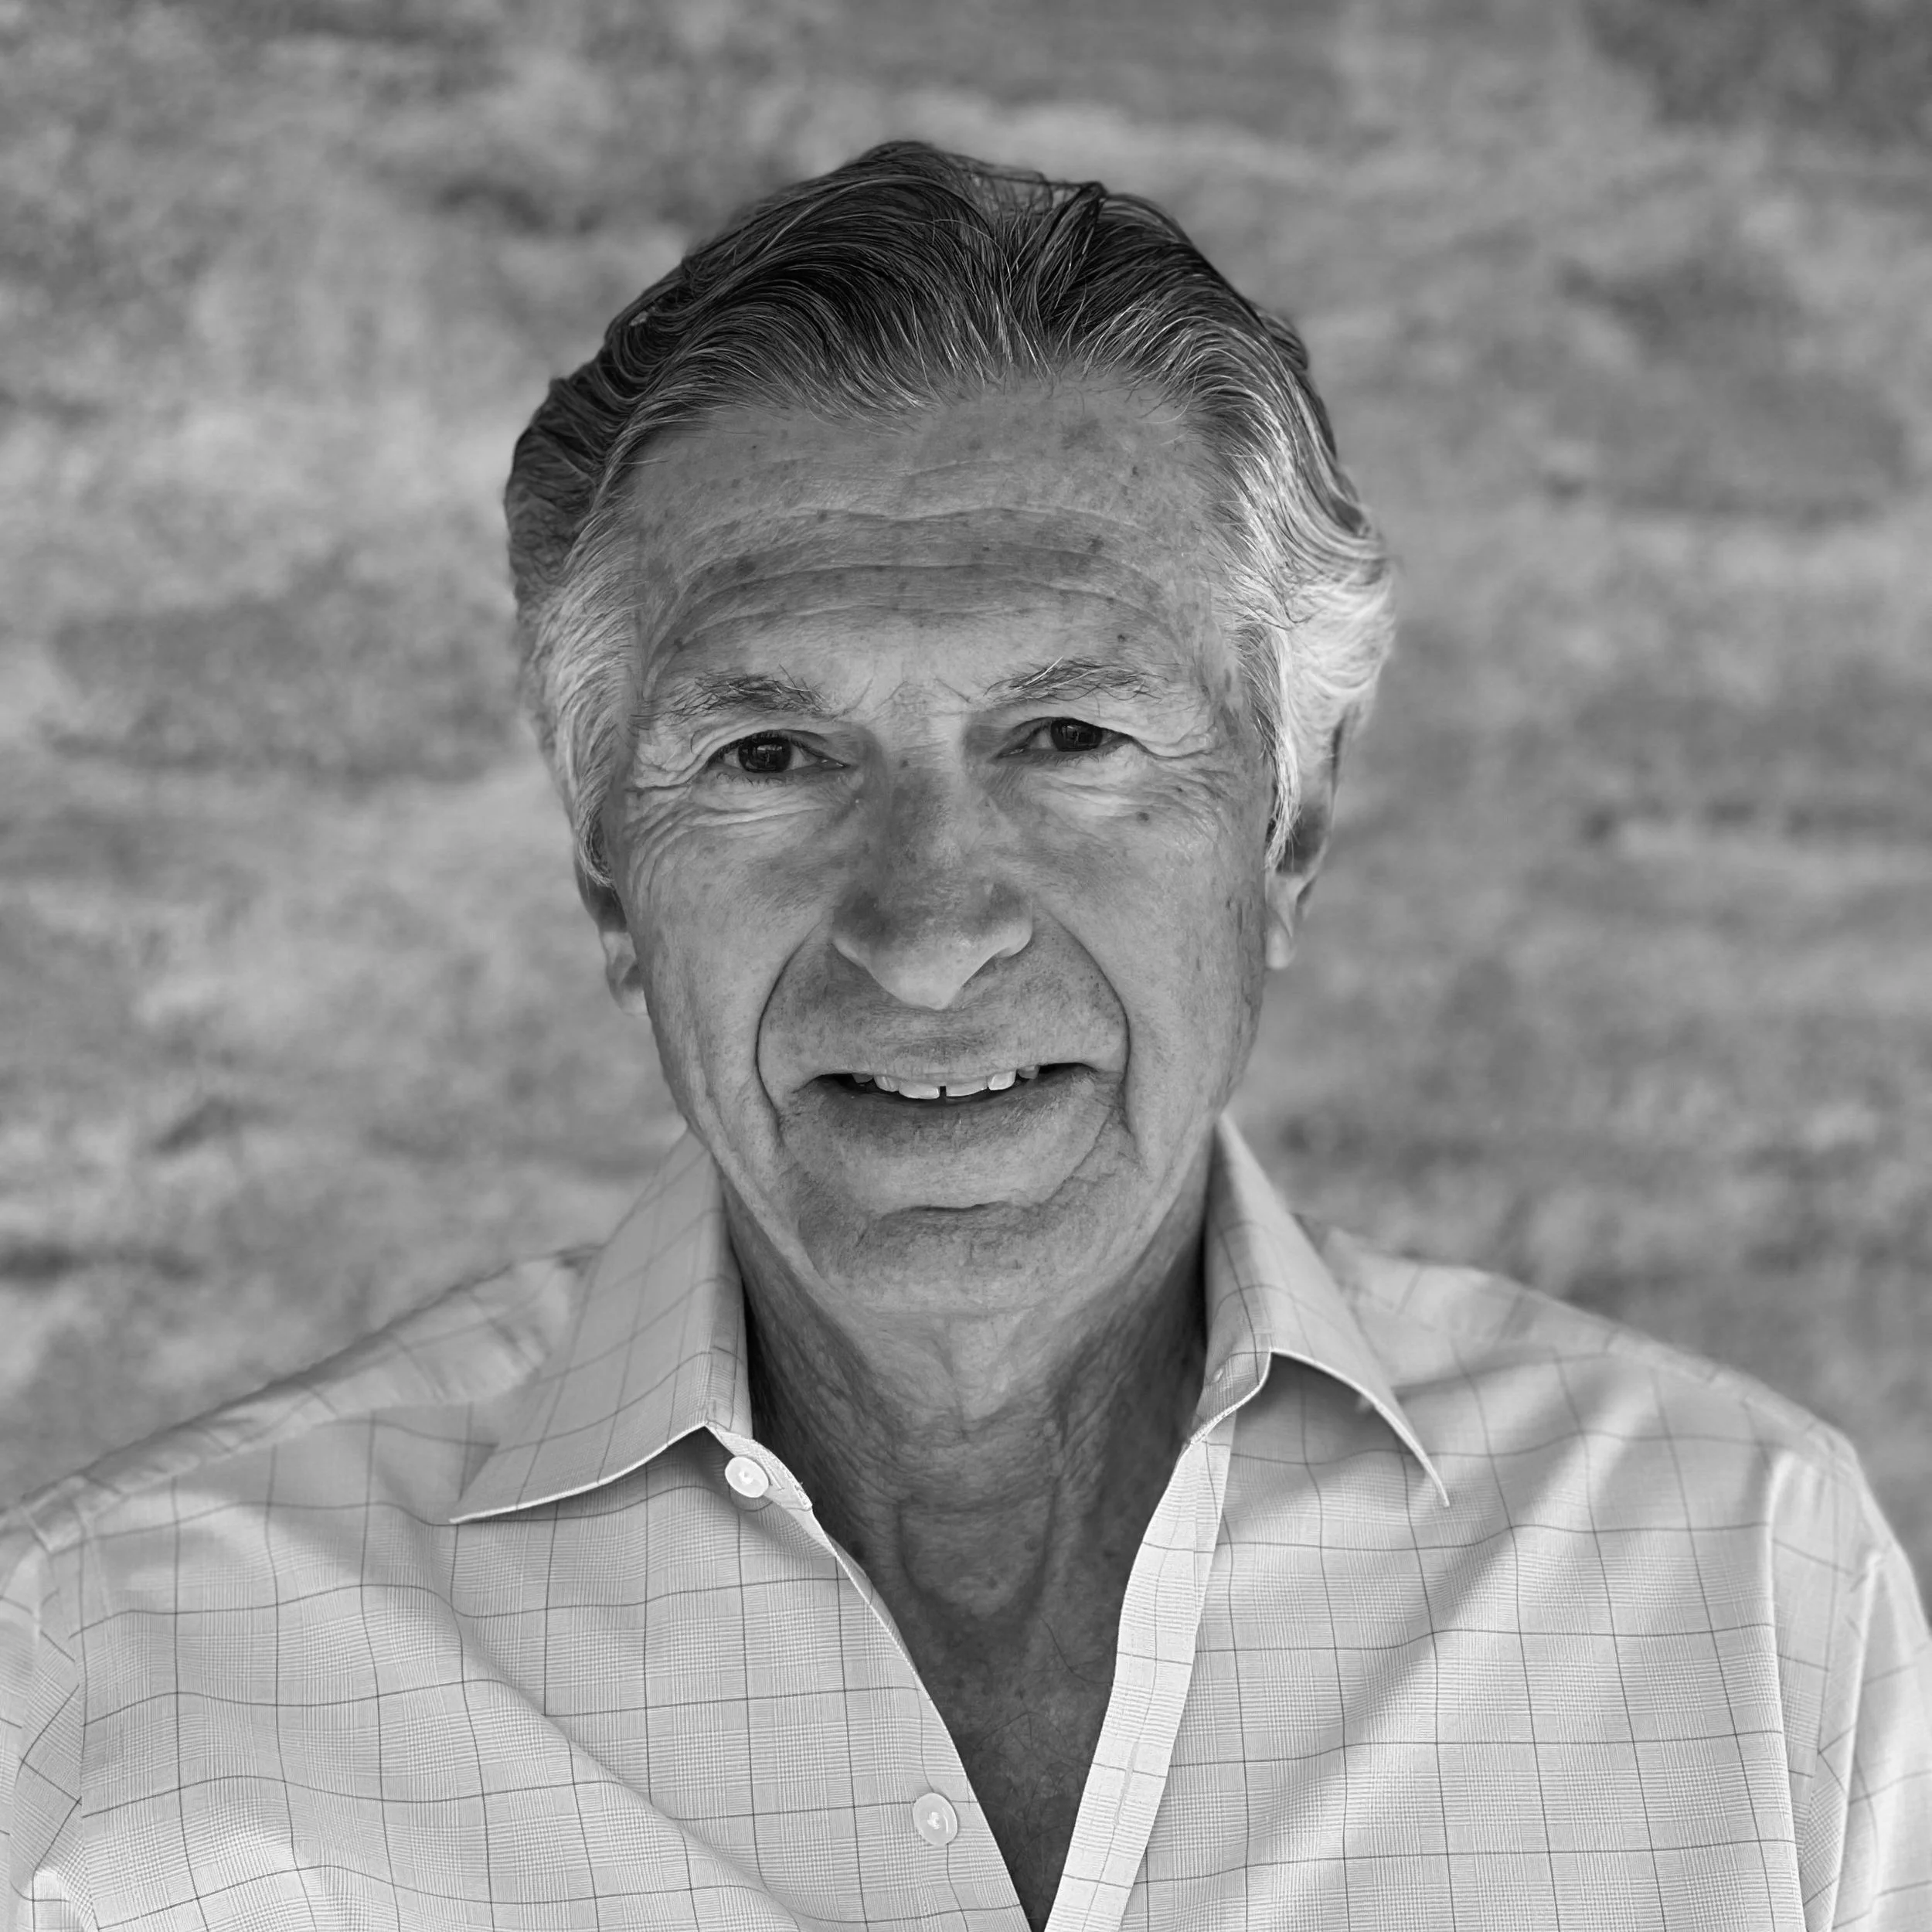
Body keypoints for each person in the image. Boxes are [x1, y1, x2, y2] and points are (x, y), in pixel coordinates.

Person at [3, 141, 1927, 1932]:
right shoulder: (120, 1671)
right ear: (609, 874)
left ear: (1286, 825)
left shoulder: (1735, 1580)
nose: (925, 932)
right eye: (769, 755)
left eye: (1070, 738)